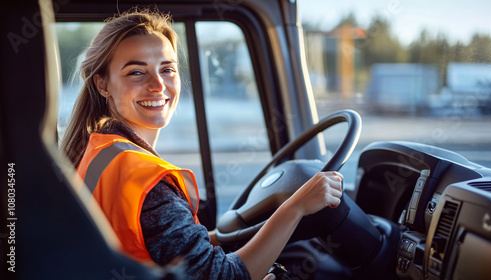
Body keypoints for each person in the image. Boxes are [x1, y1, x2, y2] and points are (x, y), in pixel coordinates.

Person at [61, 7, 344, 280]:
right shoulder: (149, 183)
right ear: (102, 84)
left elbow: (155, 244)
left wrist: (217, 237)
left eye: (167, 69)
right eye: (137, 72)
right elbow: (222, 276)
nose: (158, 85)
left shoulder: (100, 151)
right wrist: (294, 209)